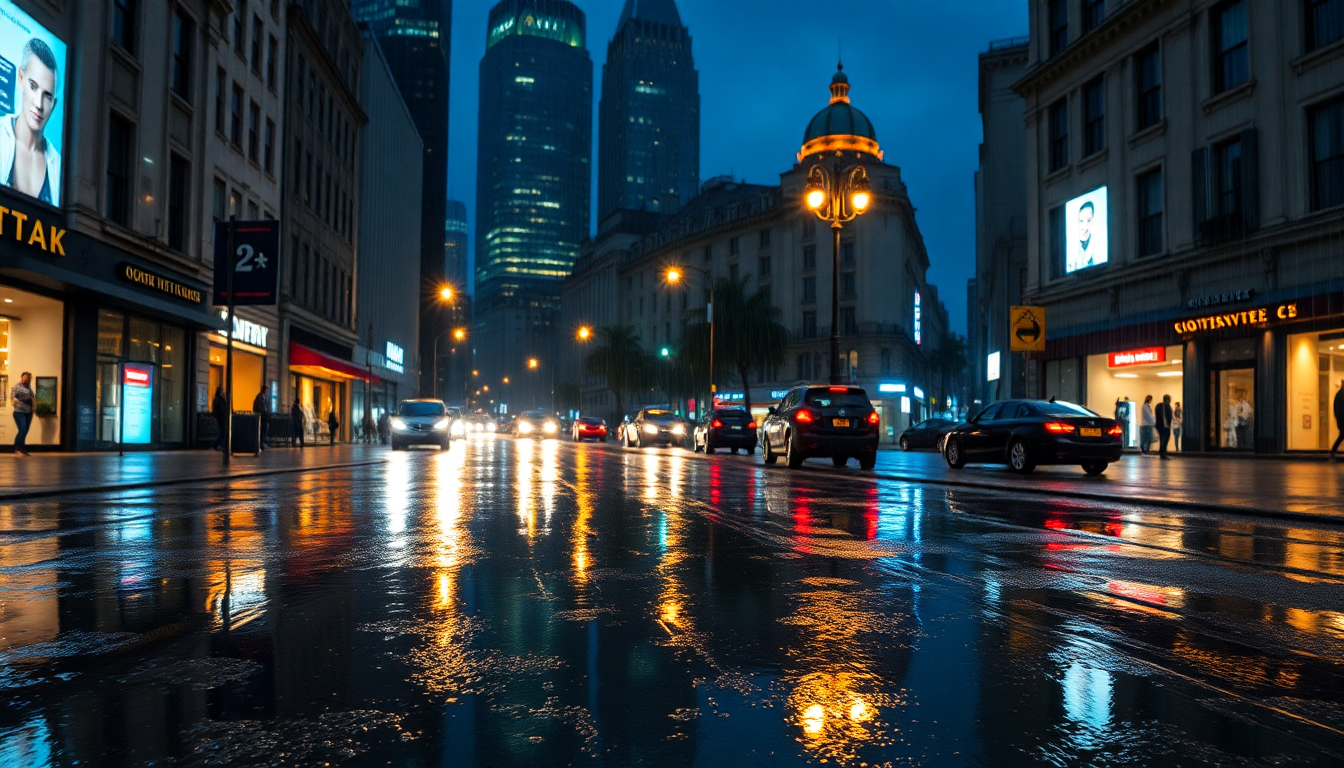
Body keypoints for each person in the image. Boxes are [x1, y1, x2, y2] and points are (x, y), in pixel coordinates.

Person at [0, 39, 62, 205]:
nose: (39, 104)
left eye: (47, 95)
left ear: (54, 105)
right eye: (33, 86)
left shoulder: (58, 165)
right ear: (21, 78)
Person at [10, 371, 34, 456]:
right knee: (22, 429)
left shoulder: (29, 387)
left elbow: (31, 397)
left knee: (25, 430)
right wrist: (14, 402)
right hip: (19, 411)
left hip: (28, 411)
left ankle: (22, 448)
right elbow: (12, 396)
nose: (26, 379)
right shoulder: (17, 387)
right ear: (22, 378)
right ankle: (17, 448)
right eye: (24, 377)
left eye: (27, 378)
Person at [1155, 394, 1174, 460]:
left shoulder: (1158, 406)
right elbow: (1169, 416)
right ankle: (1163, 453)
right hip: (1166, 426)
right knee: (1165, 439)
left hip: (1159, 426)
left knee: (1162, 438)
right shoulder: (1167, 406)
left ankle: (1161, 453)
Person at [210, 387, 229, 451]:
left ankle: (217, 445)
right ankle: (216, 444)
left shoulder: (217, 399)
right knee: (223, 432)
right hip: (222, 418)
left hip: (220, 417)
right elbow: (223, 409)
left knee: (222, 432)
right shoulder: (220, 400)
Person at [252, 387, 270, 451]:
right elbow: (261, 408)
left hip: (263, 417)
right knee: (261, 431)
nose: (268, 393)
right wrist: (265, 412)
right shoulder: (260, 398)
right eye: (267, 391)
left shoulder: (262, 398)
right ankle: (260, 445)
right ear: (264, 391)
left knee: (263, 432)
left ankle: (261, 444)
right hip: (262, 417)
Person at [1332, 382, 1344, 461]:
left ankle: (1333, 452)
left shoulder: (1339, 394)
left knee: (1341, 436)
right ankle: (1333, 451)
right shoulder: (1341, 395)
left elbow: (1336, 408)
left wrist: (1337, 418)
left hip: (1341, 420)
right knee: (1341, 436)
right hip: (1342, 420)